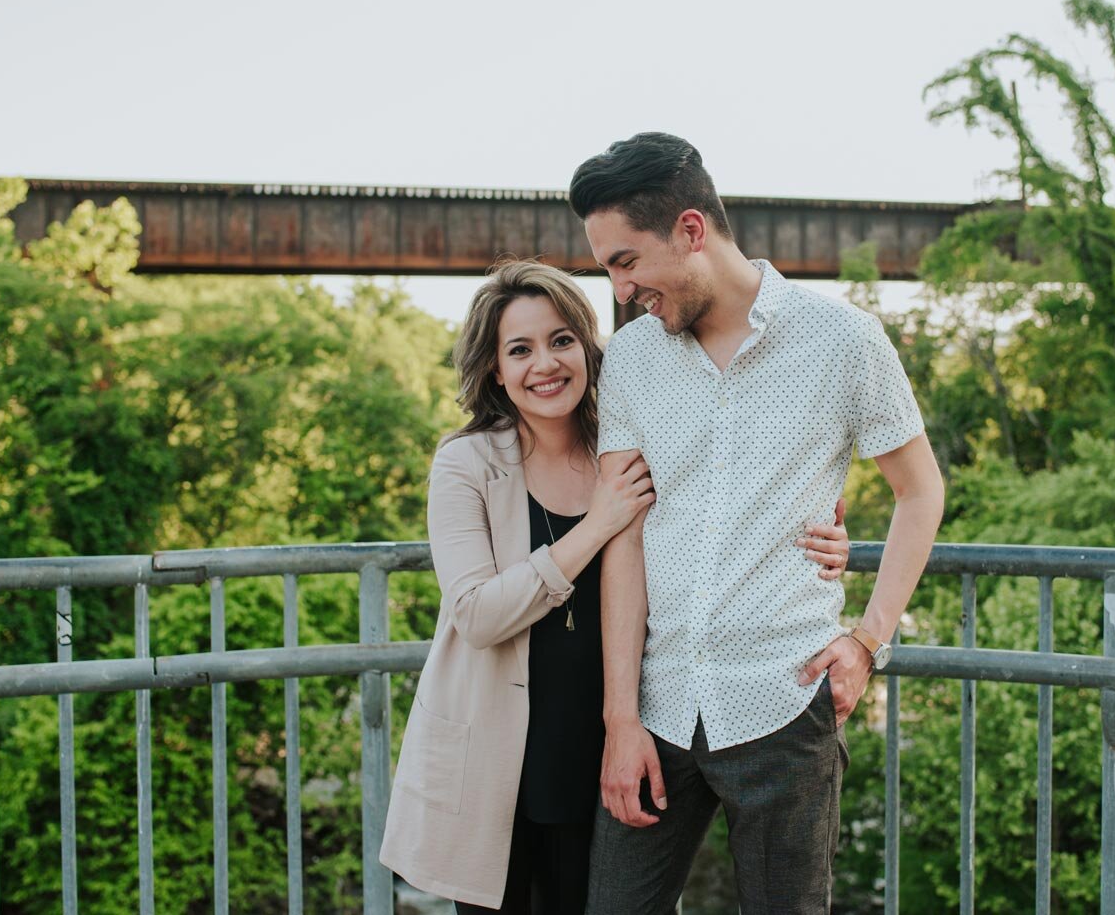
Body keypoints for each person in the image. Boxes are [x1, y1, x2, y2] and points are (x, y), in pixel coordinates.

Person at [377, 259, 853, 913]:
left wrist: (819, 538)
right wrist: (594, 527)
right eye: (520, 350)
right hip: (502, 761)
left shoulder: (629, 446)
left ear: (588, 348)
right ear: (494, 369)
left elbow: (720, 533)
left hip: (615, 743)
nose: (544, 364)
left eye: (561, 340)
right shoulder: (466, 464)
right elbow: (477, 615)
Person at [572, 132, 947, 915]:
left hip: (786, 702)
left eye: (625, 261)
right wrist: (618, 719)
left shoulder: (845, 342)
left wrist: (869, 639)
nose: (621, 287)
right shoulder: (634, 359)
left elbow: (920, 492)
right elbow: (626, 538)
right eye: (609, 266)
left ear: (691, 230)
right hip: (659, 707)